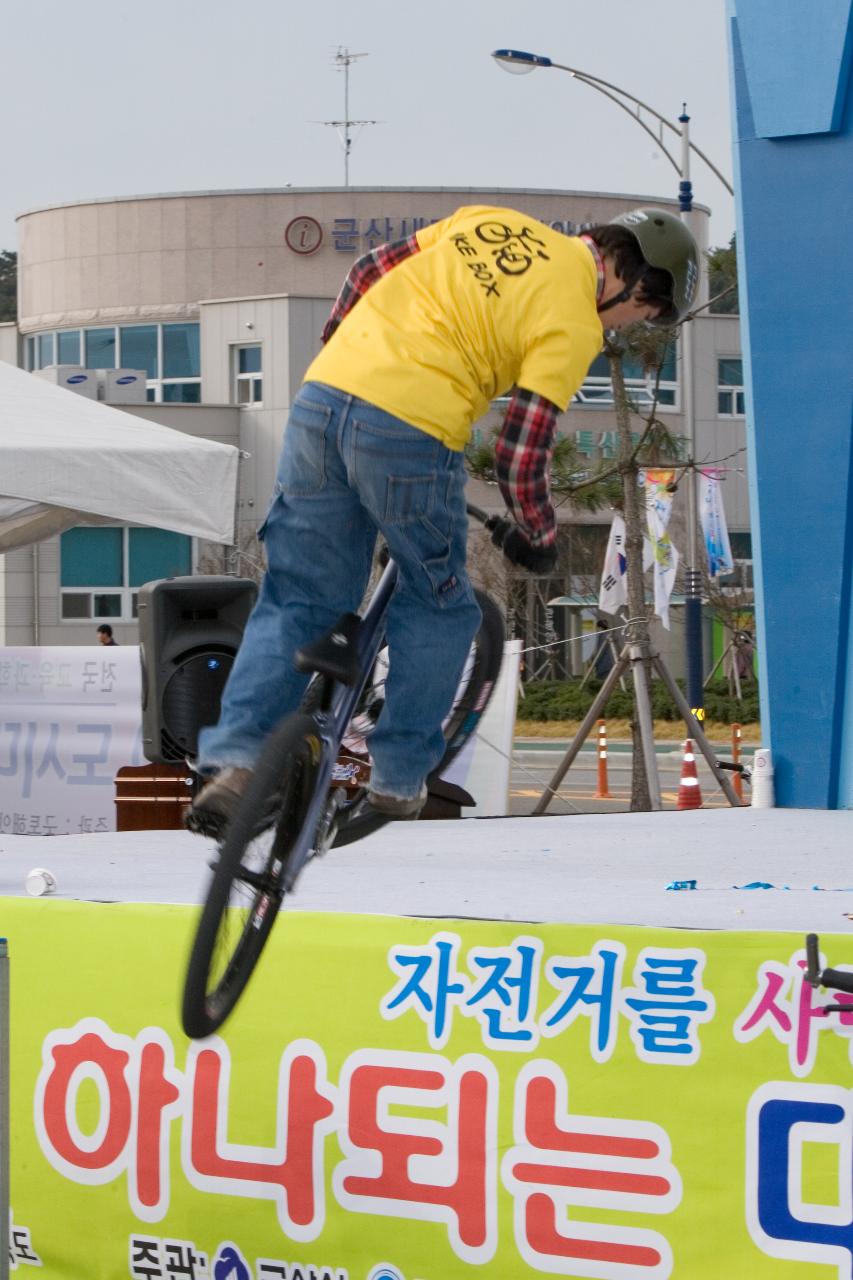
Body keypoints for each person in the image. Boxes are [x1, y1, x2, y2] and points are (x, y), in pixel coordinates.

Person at [188, 205, 699, 836]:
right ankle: (399, 775)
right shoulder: (571, 320)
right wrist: (539, 535)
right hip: (410, 426)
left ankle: (233, 764)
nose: (623, 329)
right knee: (439, 602)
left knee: (298, 595)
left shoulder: (487, 220)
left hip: (321, 402)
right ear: (639, 283)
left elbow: (369, 267)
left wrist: (344, 356)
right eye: (636, 318)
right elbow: (519, 453)